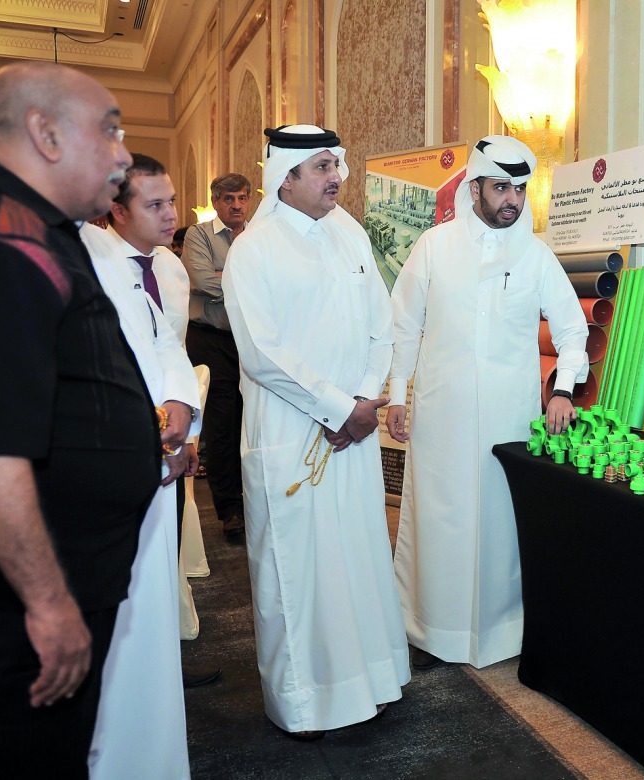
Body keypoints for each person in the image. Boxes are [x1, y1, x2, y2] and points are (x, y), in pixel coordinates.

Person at [0, 62, 163, 777]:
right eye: (110, 128)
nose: (122, 152)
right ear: (45, 134)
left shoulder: (33, 230)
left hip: (20, 608)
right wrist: (49, 604)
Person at [223, 124, 409, 739]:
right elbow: (261, 352)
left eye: (338, 166)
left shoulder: (348, 232)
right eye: (323, 167)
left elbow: (381, 325)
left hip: (350, 432)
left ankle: (372, 682)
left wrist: (362, 401)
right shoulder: (255, 248)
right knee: (297, 574)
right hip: (292, 429)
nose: (336, 177)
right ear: (287, 176)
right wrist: (337, 406)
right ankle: (305, 704)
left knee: (356, 559)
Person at [387, 135, 589, 670]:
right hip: (442, 413)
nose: (513, 201)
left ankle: (502, 632)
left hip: (509, 418)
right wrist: (396, 394)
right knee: (442, 518)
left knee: (501, 522)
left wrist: (563, 388)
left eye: (520, 190)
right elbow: (403, 326)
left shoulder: (537, 255)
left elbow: (573, 329)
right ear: (474, 187)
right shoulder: (434, 246)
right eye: (501, 188)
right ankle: (431, 627)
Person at [80, 153, 206, 779]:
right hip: (116, 455)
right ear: (116, 210)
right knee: (123, 604)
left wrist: (184, 410)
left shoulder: (174, 268)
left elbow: (169, 348)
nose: (172, 216)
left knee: (158, 585)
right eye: (154, 206)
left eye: (173, 202)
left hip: (165, 448)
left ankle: (158, 723)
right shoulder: (87, 262)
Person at [182, 172, 251, 538]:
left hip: (250, 341)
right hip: (211, 339)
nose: (236, 205)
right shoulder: (199, 235)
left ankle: (254, 501)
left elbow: (272, 279)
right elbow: (202, 281)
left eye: (242, 198)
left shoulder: (260, 234)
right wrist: (247, 283)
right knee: (222, 426)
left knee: (252, 420)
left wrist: (225, 276)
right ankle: (230, 511)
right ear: (216, 201)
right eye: (229, 199)